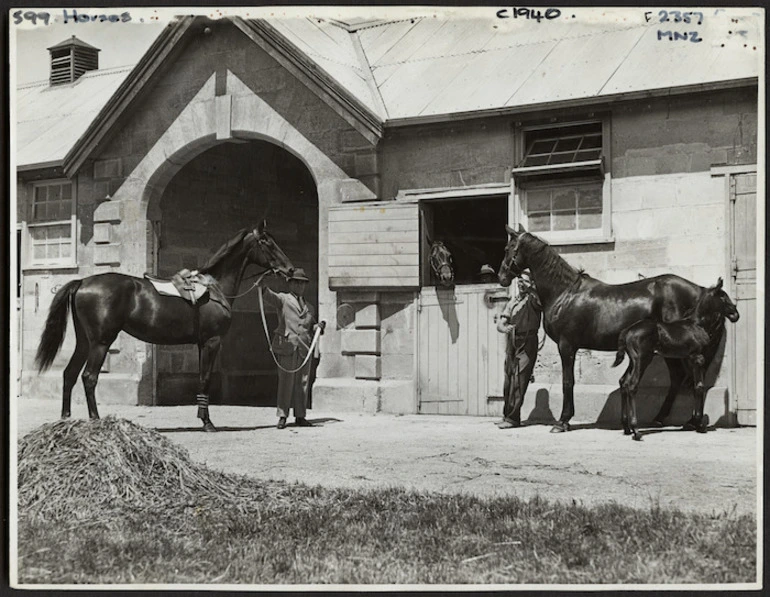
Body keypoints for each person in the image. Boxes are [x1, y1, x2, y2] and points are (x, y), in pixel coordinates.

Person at [260, 268, 325, 429]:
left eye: (303, 283)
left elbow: (310, 326)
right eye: (297, 282)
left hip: (304, 348)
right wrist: (262, 284)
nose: (300, 286)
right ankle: (282, 415)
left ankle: (300, 416)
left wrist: (319, 326)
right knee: (285, 383)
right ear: (290, 284)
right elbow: (267, 295)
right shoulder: (283, 299)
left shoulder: (309, 306)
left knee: (302, 383)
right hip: (287, 346)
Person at [495, 270, 542, 429]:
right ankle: (507, 415)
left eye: (525, 281)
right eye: (519, 281)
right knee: (508, 380)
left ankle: (513, 419)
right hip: (512, 341)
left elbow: (540, 302)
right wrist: (503, 327)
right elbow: (502, 321)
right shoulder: (513, 301)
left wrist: (532, 288)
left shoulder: (533, 299)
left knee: (519, 380)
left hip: (527, 342)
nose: (521, 284)